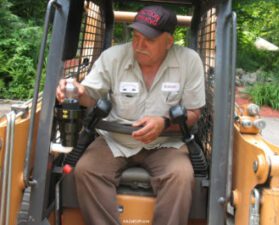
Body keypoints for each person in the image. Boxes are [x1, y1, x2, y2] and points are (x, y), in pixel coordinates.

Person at [56, 5, 205, 225]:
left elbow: (194, 113)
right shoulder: (113, 57)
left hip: (167, 143)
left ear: (169, 42)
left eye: (149, 40)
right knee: (86, 170)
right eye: (136, 37)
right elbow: (90, 95)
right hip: (115, 141)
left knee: (181, 177)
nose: (139, 45)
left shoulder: (189, 61)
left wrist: (163, 123)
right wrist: (77, 92)